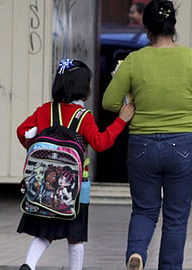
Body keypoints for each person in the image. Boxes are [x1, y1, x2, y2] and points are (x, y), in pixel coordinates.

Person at [102, 1, 192, 269]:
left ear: (146, 29)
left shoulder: (134, 60)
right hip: (182, 147)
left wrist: (127, 111)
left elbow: (108, 101)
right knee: (175, 217)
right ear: (173, 26)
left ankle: (137, 252)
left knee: (144, 210)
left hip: (142, 146)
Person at [16, 59, 135, 270]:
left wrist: (36, 146)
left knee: (45, 232)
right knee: (75, 236)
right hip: (75, 188)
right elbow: (100, 142)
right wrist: (121, 121)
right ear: (82, 88)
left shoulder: (44, 110)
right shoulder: (83, 117)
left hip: (44, 184)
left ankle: (29, 264)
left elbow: (21, 131)